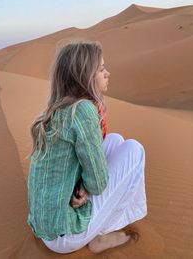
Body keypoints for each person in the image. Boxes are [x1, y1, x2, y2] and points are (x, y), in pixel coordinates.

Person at [27, 40, 147, 254]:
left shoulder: (59, 108)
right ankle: (102, 234)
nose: (107, 73)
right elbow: (98, 185)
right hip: (65, 234)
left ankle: (98, 226)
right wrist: (87, 188)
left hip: (46, 227)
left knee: (115, 140)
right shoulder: (82, 110)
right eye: (101, 69)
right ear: (84, 77)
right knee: (134, 150)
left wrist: (82, 188)